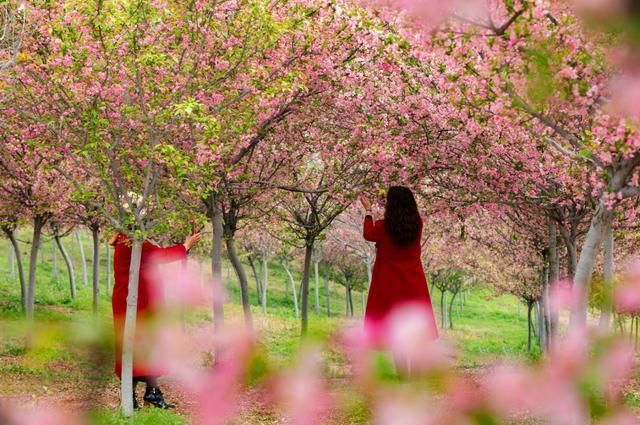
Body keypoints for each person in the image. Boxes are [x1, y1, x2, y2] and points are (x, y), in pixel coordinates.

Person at [110, 230, 201, 409]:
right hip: (138, 303)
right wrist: (185, 246)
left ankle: (137, 396)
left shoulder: (124, 239)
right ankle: (148, 395)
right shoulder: (133, 241)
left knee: (136, 347)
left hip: (133, 300)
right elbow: (160, 255)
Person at [361, 186, 438, 338]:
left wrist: (368, 211)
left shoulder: (383, 226)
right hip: (412, 281)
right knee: (414, 331)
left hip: (388, 283)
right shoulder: (417, 225)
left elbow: (368, 234)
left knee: (392, 332)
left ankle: (400, 362)